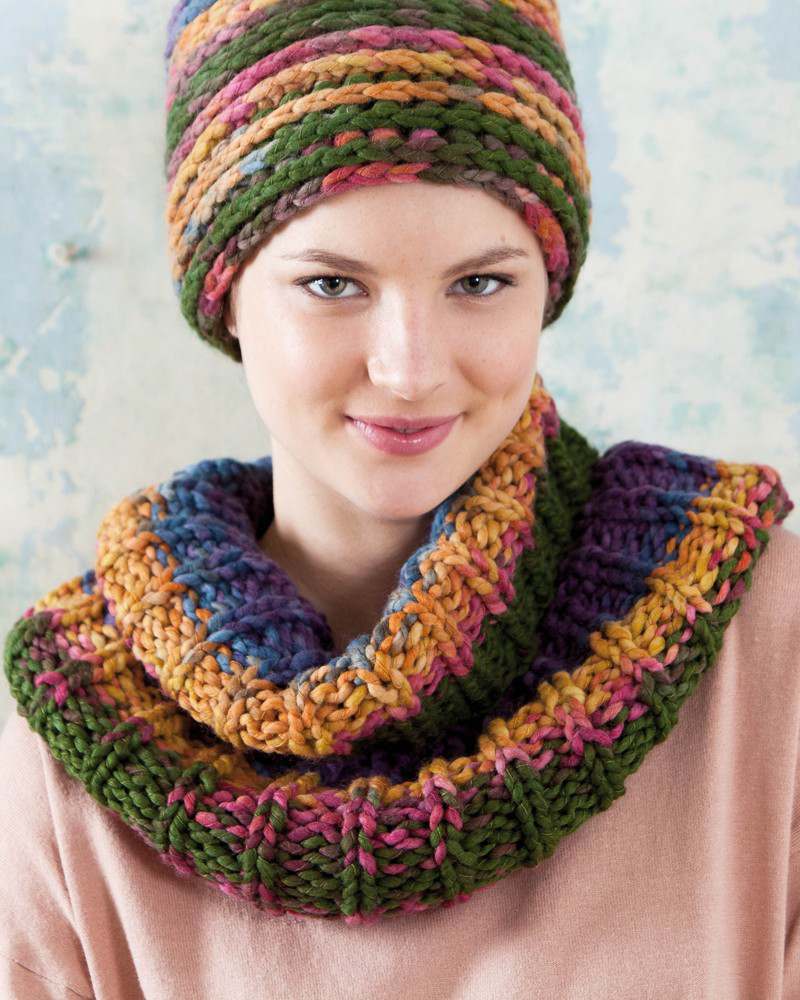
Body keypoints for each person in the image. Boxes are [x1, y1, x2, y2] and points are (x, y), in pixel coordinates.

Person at [1, 1, 798, 997]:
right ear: (225, 293)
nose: (409, 369)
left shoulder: (761, 643)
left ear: (545, 287)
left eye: (480, 283)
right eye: (332, 285)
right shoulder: (80, 732)